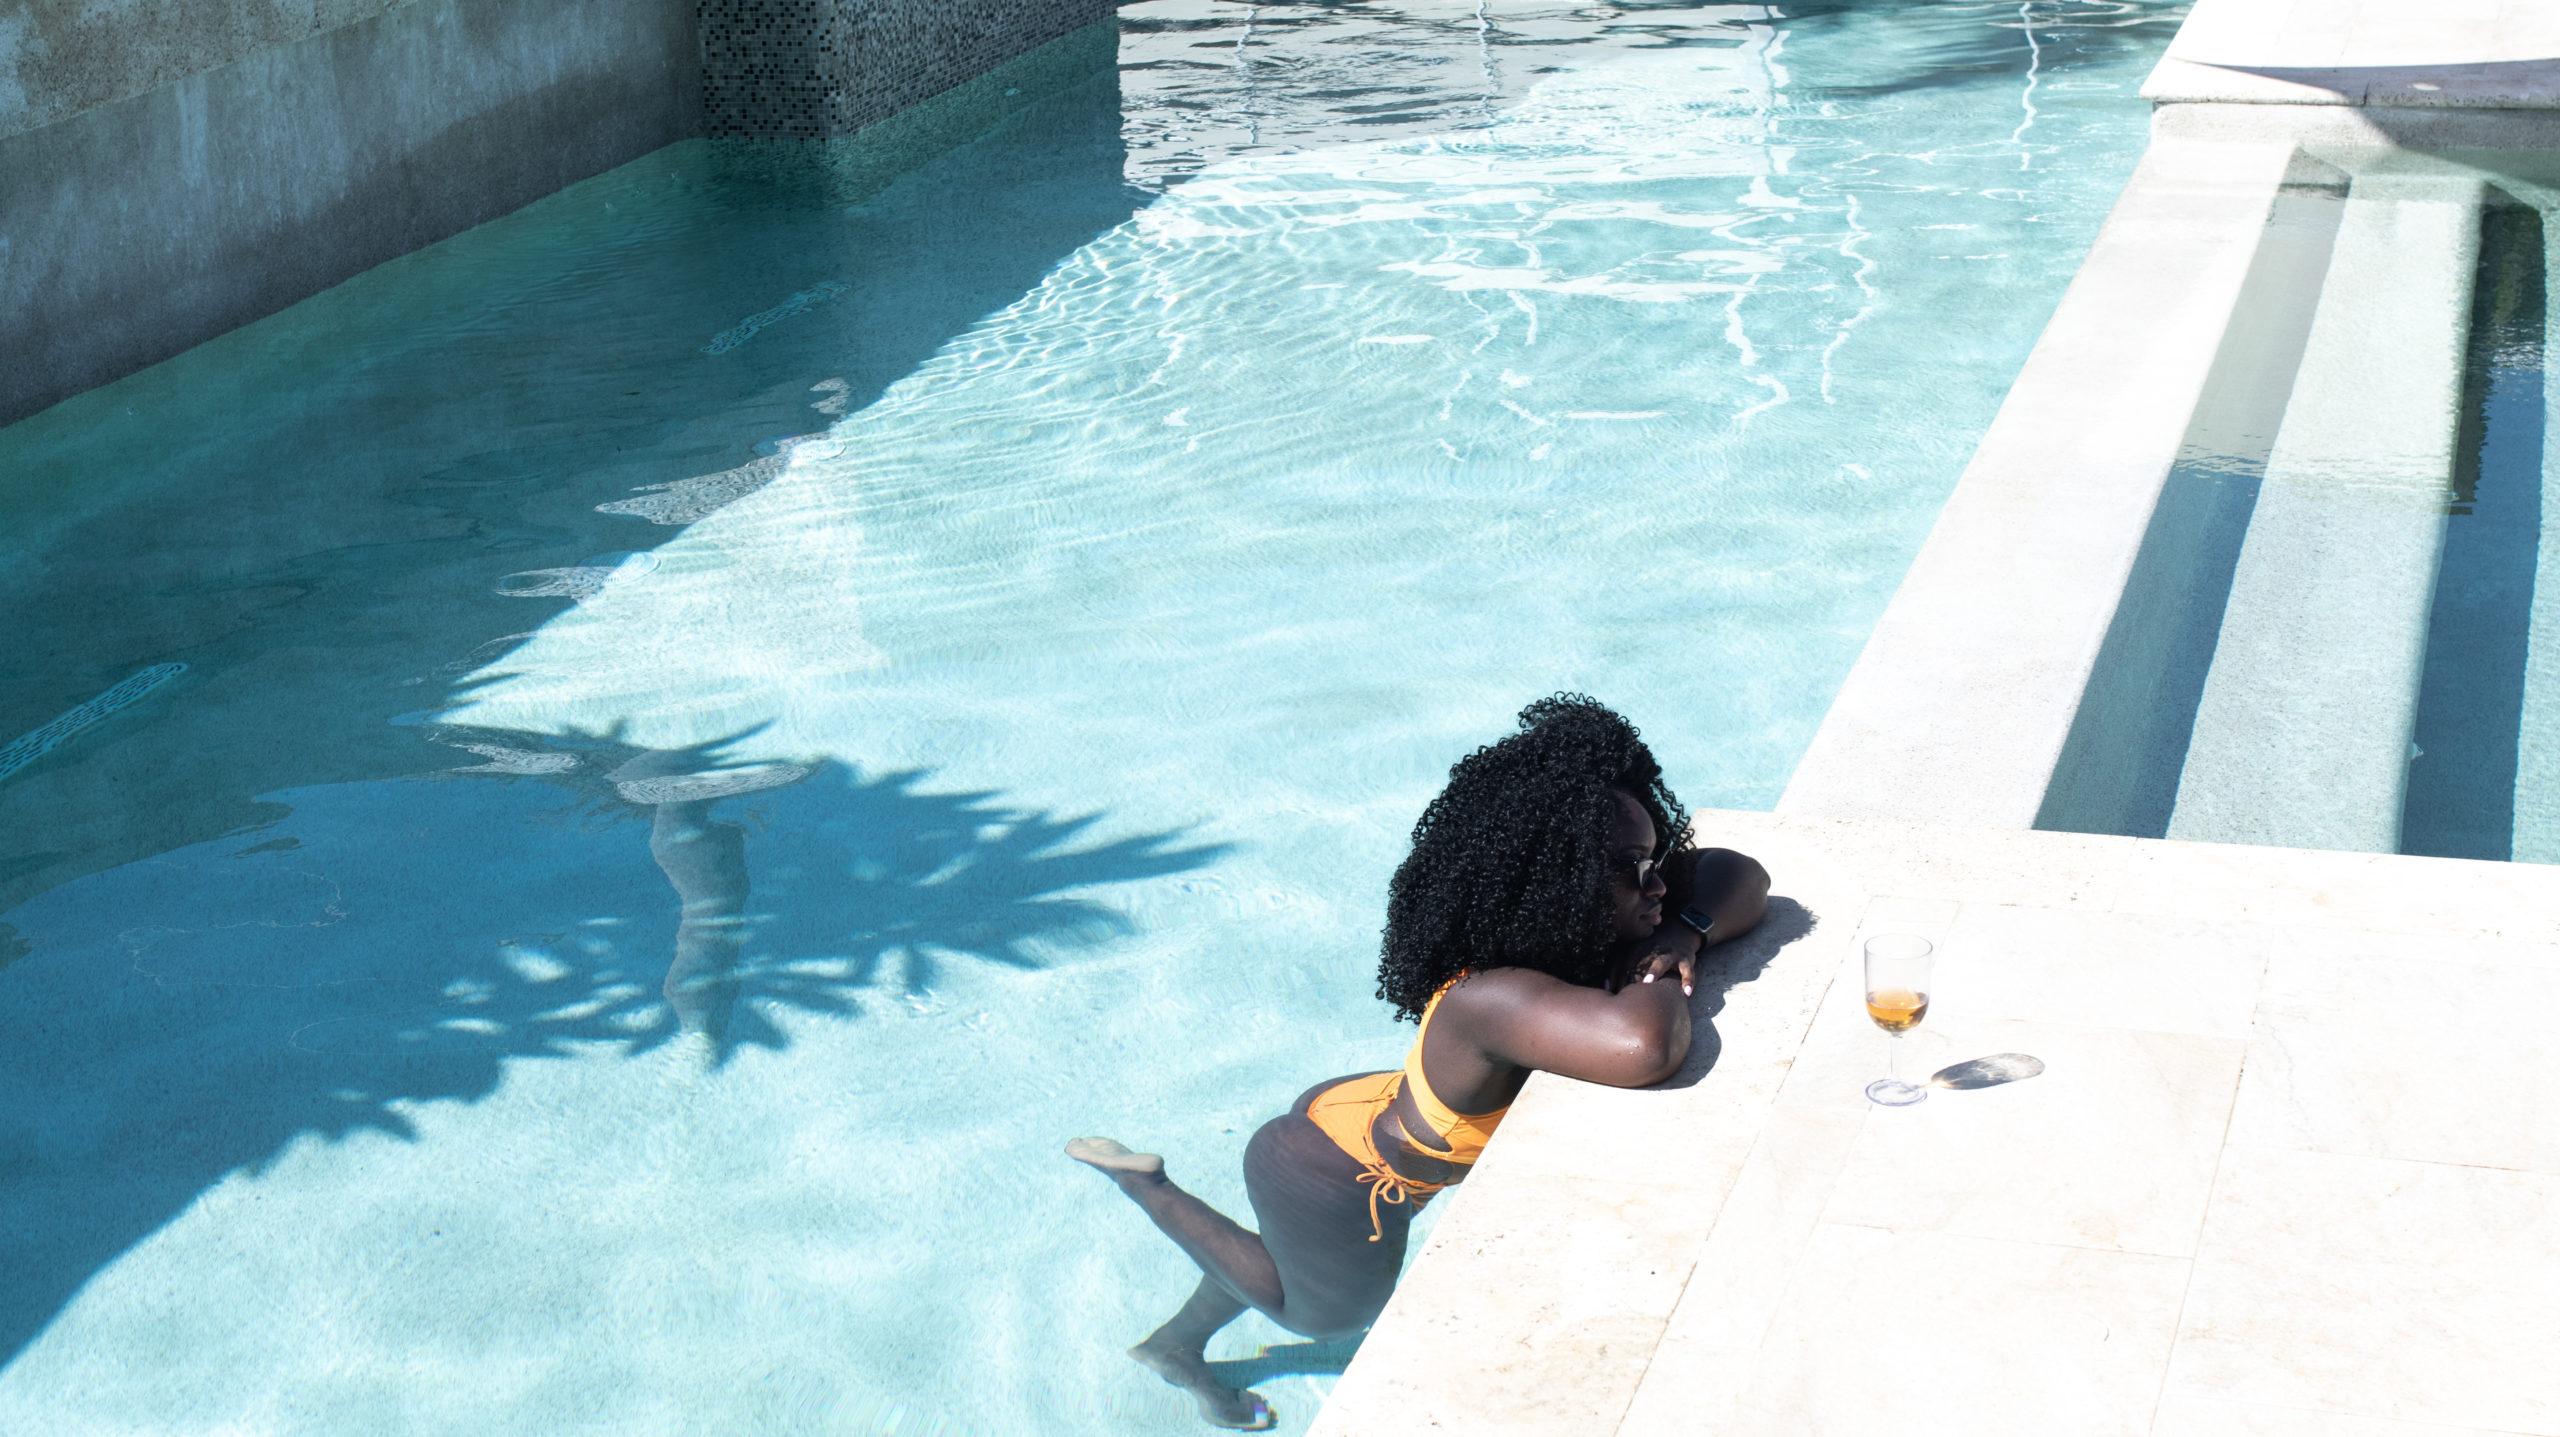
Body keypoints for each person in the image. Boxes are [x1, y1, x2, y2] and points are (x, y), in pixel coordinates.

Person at [1067, 694, 1772, 1429]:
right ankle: (1146, 1185)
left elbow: (1739, 873)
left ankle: (1174, 1347)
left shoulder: (1561, 937)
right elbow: (1645, 1047)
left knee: (1287, 1260)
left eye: (1657, 859)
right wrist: (1655, 959)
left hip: (1357, 1119)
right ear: (1554, 881)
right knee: (1320, 1313)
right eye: (1632, 870)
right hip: (1345, 1176)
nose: (1659, 884)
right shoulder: (1491, 997)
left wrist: (1685, 930)